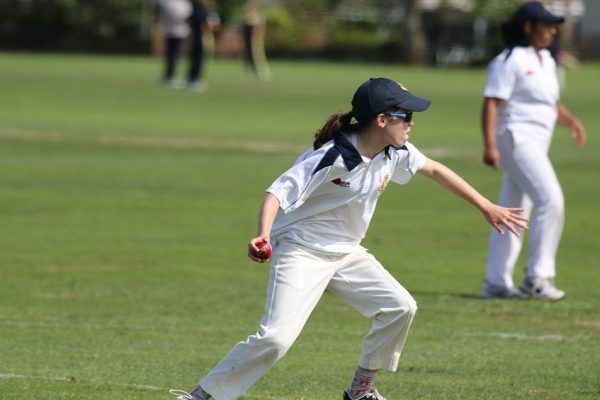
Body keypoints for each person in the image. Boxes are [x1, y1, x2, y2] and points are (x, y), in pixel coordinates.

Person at [170, 77, 528, 400]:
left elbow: (434, 169)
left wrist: (484, 205)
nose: (412, 123)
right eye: (405, 115)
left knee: (399, 307)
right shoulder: (333, 156)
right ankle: (202, 396)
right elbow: (277, 192)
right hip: (302, 251)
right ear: (382, 120)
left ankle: (360, 391)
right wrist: (262, 234)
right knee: (276, 338)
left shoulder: (395, 151)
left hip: (346, 253)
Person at [480, 1, 587, 301]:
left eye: (555, 27)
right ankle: (537, 277)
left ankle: (496, 282)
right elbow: (491, 102)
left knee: (514, 212)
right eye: (547, 26)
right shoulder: (509, 60)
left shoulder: (548, 61)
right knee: (551, 201)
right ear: (528, 26)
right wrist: (490, 145)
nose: (553, 31)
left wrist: (570, 121)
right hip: (516, 138)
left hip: (538, 142)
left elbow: (549, 103)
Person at [156, 0, 193, 87]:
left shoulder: (178, 3)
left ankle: (170, 75)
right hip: (174, 32)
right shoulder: (175, 3)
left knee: (173, 55)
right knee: (172, 55)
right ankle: (170, 75)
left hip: (177, 32)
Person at [186, 0, 219, 91]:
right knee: (200, 59)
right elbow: (208, 26)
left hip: (194, 37)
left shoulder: (195, 11)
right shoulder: (205, 13)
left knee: (194, 58)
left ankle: (190, 78)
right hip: (203, 38)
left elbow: (188, 21)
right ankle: (196, 80)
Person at [241, 1, 271, 81]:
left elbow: (259, 30)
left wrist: (257, 38)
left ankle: (263, 72)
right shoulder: (248, 17)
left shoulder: (258, 17)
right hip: (249, 41)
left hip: (256, 40)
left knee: (258, 56)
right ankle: (250, 71)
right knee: (249, 56)